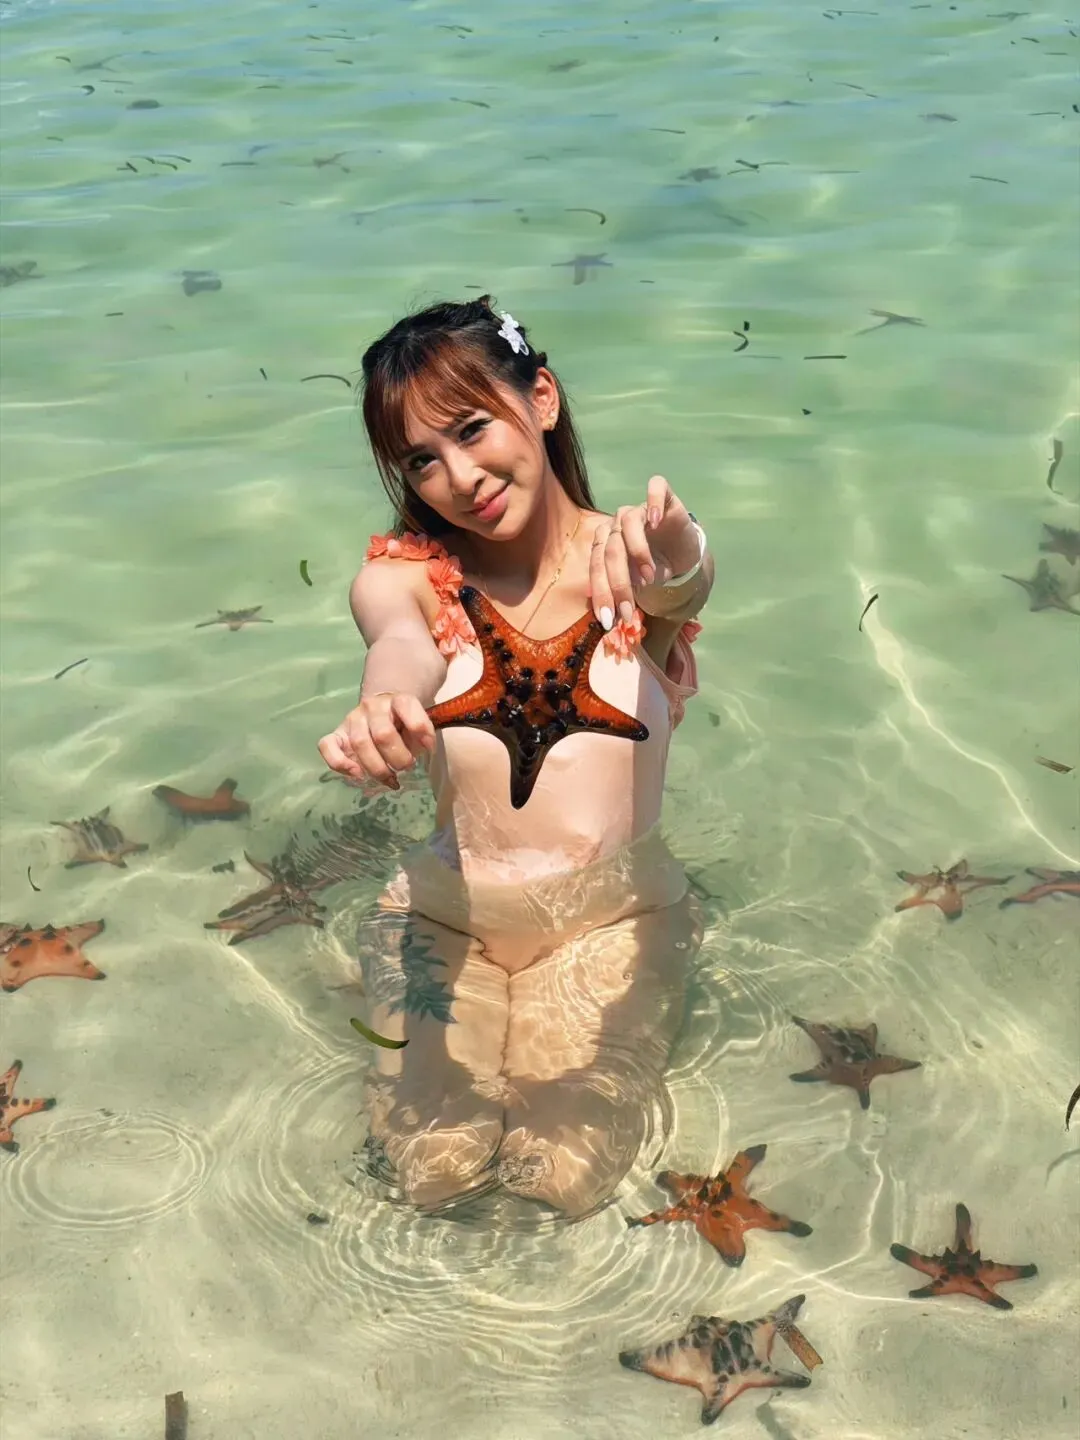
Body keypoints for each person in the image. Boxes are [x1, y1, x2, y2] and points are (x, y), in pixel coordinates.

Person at [318, 297, 714, 1217]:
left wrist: (678, 543)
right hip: (442, 921)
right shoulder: (408, 580)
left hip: (610, 925)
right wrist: (383, 704)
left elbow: (687, 578)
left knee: (560, 1179)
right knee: (433, 1173)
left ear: (541, 398)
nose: (459, 477)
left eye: (471, 429)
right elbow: (399, 644)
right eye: (422, 459)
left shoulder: (632, 566)